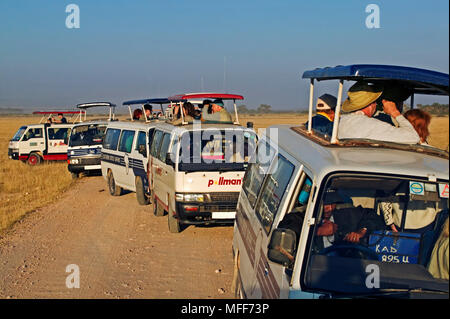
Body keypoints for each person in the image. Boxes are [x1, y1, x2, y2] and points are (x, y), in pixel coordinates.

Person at [338, 82, 420, 144]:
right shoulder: (372, 125)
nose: (376, 104)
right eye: (375, 101)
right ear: (371, 104)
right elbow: (413, 137)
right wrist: (394, 112)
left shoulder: (341, 121)